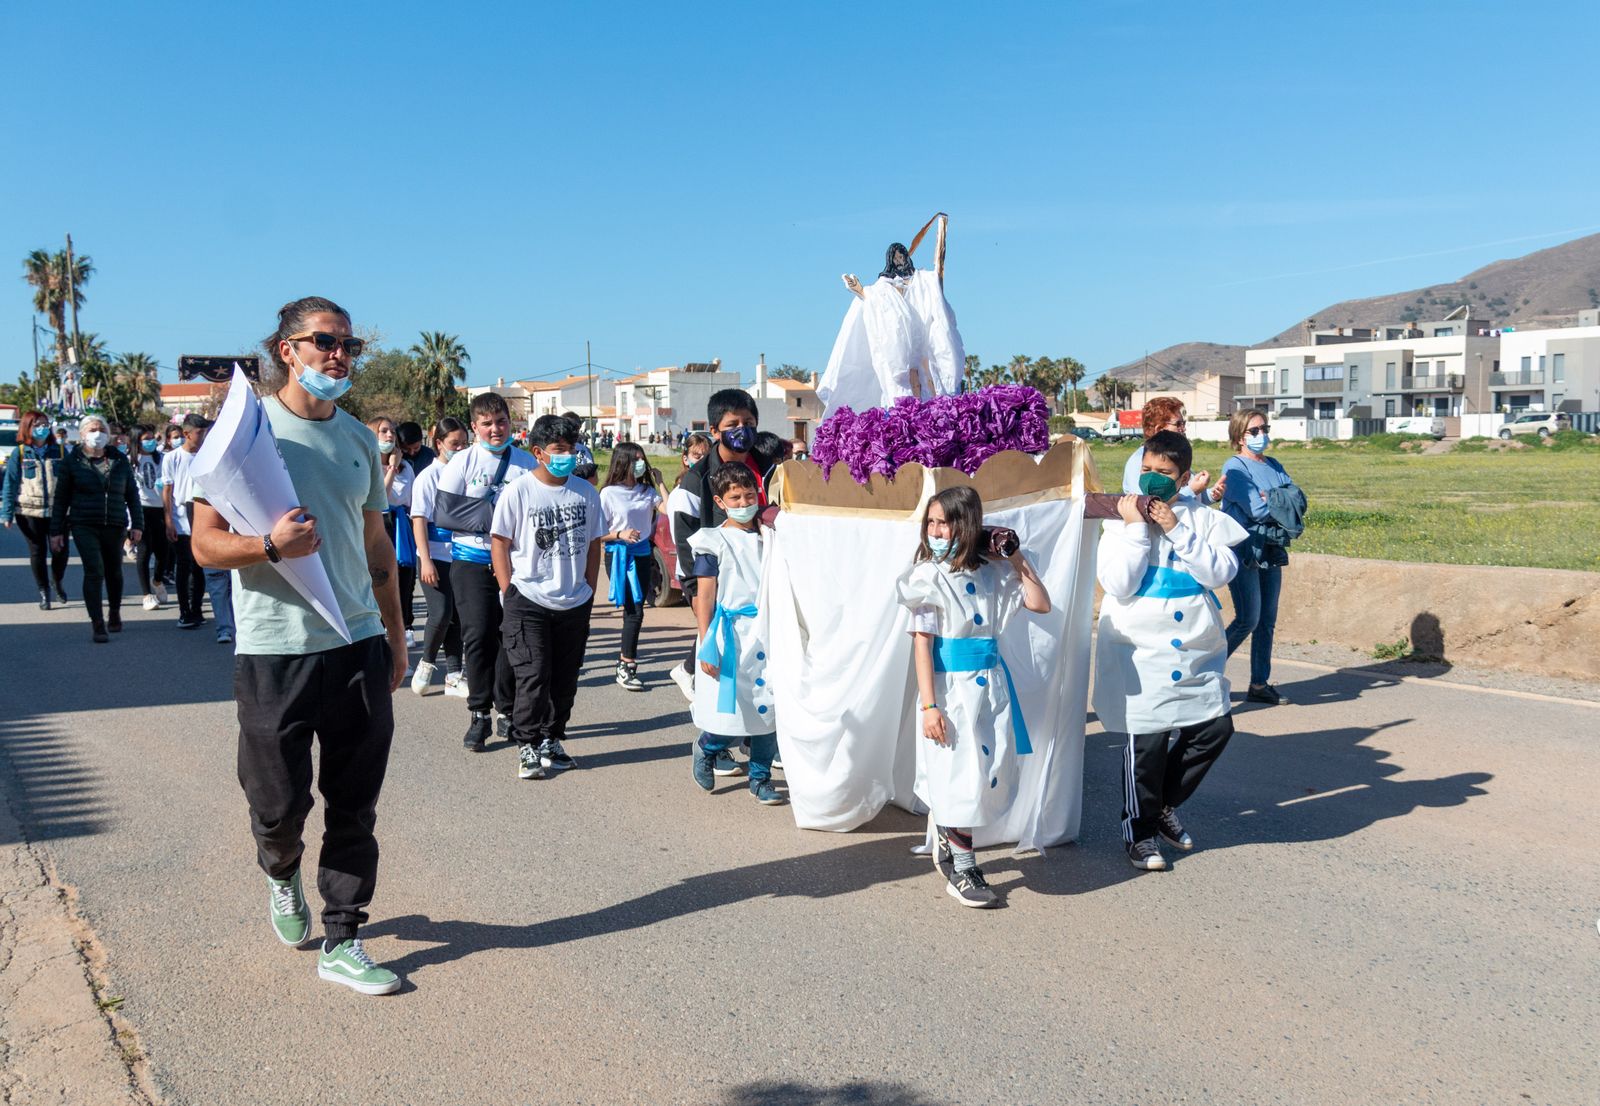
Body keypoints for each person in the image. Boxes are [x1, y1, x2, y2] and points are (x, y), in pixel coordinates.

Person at [192, 295, 407, 996]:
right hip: (274, 648)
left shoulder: (357, 440)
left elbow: (377, 544)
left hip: (357, 644)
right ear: (287, 349)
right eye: (325, 342)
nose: (339, 355)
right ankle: (281, 873)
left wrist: (396, 636)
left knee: (355, 801)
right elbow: (203, 544)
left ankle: (344, 935)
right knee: (277, 803)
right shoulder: (243, 433)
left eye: (349, 346)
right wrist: (266, 546)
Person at [1094, 430, 1247, 873]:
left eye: (1163, 473)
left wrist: (1176, 529)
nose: (1153, 480)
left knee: (1214, 729)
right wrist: (1138, 529)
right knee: (1148, 742)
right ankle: (1138, 834)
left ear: (1182, 478)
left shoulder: (1201, 520)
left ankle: (1162, 804)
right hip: (1140, 648)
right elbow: (1119, 583)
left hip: (1195, 645)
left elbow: (1220, 571)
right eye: (1146, 471)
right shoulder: (1118, 520)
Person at [896, 487, 1050, 907]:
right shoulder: (927, 577)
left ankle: (949, 838)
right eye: (930, 523)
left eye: (944, 522)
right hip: (950, 691)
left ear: (967, 525)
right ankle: (963, 869)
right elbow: (922, 646)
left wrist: (1015, 556)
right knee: (958, 775)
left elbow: (1040, 602)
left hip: (992, 687)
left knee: (986, 773)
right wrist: (930, 707)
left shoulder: (992, 575)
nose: (936, 531)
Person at [490, 414, 603, 781]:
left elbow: (594, 542)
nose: (566, 455)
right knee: (533, 675)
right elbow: (500, 542)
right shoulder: (519, 490)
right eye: (558, 449)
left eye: (571, 448)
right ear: (538, 452)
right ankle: (527, 743)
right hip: (529, 599)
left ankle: (553, 739)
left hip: (574, 601)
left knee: (565, 678)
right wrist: (509, 589)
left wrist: (588, 587)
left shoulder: (585, 492)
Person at [435, 393, 536, 751]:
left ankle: (506, 709)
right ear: (475, 426)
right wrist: (494, 520)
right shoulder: (462, 462)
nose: (496, 429)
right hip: (472, 561)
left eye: (502, 422)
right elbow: (444, 514)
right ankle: (479, 712)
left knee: (511, 637)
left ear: (511, 422)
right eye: (488, 424)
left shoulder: (526, 464)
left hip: (514, 563)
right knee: (477, 635)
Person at [688, 464, 787, 805]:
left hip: (767, 631)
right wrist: (706, 644)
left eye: (749, 495)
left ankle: (760, 778)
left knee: (769, 707)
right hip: (729, 635)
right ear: (720, 501)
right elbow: (706, 595)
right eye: (735, 497)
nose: (744, 502)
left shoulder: (768, 534)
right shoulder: (712, 541)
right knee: (730, 709)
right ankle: (708, 747)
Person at [1220, 409, 1302, 707]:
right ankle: (1204, 671)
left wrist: (1276, 499)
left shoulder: (1273, 464)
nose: (1261, 435)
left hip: (1270, 546)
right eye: (1254, 431)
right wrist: (1279, 499)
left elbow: (1298, 498)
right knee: (1248, 619)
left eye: (1264, 428)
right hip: (1244, 549)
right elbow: (1256, 509)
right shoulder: (1236, 467)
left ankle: (1259, 683)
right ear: (1239, 436)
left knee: (1267, 620)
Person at [48, 415, 141, 642]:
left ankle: (115, 611)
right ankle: (97, 624)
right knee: (94, 570)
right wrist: (56, 530)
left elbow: (132, 494)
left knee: (114, 571)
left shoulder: (119, 460)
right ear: (82, 434)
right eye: (92, 429)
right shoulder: (73, 461)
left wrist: (137, 523)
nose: (97, 434)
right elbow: (61, 498)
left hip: (115, 523)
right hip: (83, 523)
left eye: (101, 429)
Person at [408, 417, 469, 698]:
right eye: (454, 444)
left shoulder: (467, 472)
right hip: (434, 553)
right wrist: (426, 559)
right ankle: (427, 662)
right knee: (441, 612)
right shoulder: (427, 477)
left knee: (457, 614)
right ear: (439, 444)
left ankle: (454, 675)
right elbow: (418, 519)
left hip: (462, 553)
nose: (460, 448)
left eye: (464, 444)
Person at [598, 442, 662, 692]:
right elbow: (597, 533)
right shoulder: (608, 493)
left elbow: (668, 509)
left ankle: (625, 662)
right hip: (619, 555)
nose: (640, 463)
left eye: (642, 459)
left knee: (637, 609)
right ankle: (626, 665)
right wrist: (619, 534)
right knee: (634, 610)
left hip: (643, 553)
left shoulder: (647, 491)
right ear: (622, 462)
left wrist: (660, 483)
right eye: (635, 459)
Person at [1, 410, 71, 609]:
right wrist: (6, 513)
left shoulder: (61, 451)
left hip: (59, 511)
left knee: (60, 551)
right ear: (28, 427)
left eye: (45, 424)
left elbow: (72, 480)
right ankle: (43, 592)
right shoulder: (21, 453)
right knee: (37, 552)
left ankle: (57, 581)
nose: (42, 428)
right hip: (29, 512)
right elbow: (11, 482)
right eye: (37, 424)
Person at [368, 416, 418, 647]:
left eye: (392, 432)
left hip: (401, 526)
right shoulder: (368, 465)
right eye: (383, 431)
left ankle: (404, 630)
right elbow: (380, 498)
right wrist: (391, 469)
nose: (389, 436)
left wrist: (399, 466)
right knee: (381, 578)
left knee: (405, 579)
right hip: (378, 523)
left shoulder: (407, 468)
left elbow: (411, 500)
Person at [1120, 397, 1222, 503]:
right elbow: (1147, 504)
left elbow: (1193, 501)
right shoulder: (1139, 461)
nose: (1184, 429)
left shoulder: (1174, 455)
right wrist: (1193, 490)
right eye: (1178, 424)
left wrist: (1212, 494)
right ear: (1159, 429)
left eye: (1184, 423)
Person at [163, 413, 212, 629]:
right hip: (181, 516)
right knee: (184, 564)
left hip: (200, 514)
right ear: (186, 434)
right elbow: (167, 489)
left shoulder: (207, 455)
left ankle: (197, 608)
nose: (203, 436)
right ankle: (184, 611)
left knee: (199, 564)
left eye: (205, 432)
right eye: (199, 432)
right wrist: (168, 520)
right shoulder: (172, 458)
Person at [130, 426, 172, 610]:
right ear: (136, 442)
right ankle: (146, 594)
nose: (150, 442)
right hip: (141, 509)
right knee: (144, 551)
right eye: (145, 439)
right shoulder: (130, 462)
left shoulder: (162, 459)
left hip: (161, 508)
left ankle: (157, 580)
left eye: (152, 438)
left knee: (164, 552)